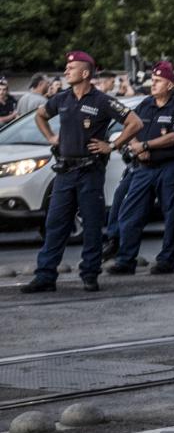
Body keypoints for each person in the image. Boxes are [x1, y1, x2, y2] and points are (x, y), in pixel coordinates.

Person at [21, 52, 143, 294]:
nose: (66, 71)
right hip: (65, 171)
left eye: (71, 67)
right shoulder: (62, 98)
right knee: (55, 224)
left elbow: (135, 123)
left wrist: (113, 145)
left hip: (90, 171)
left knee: (91, 225)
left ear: (85, 73)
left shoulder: (102, 101)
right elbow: (40, 115)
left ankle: (89, 274)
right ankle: (45, 275)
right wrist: (51, 138)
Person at [108, 63, 174, 275]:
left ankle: (167, 260)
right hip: (144, 168)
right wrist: (136, 145)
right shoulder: (145, 104)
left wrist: (146, 145)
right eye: (152, 80)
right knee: (130, 213)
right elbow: (132, 126)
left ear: (170, 84)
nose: (153, 84)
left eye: (158, 81)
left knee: (172, 215)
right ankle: (126, 260)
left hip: (169, 167)